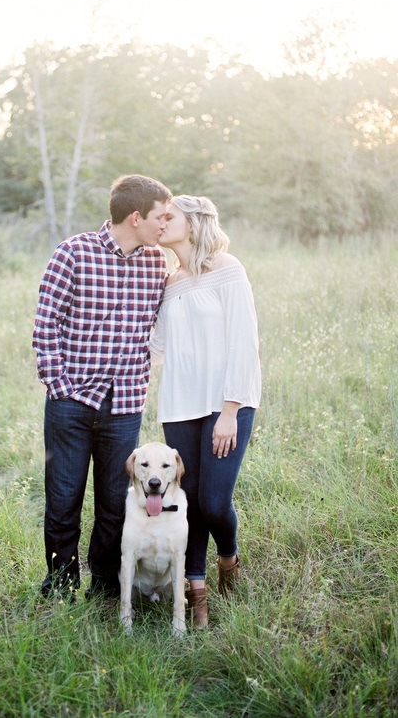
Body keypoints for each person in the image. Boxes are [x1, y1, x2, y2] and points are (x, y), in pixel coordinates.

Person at [32, 174, 172, 600]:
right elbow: (45, 323)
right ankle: (60, 585)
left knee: (115, 504)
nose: (164, 225)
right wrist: (59, 387)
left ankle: (106, 589)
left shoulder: (156, 264)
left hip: (125, 405)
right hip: (71, 403)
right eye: (159, 217)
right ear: (135, 218)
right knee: (63, 500)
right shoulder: (73, 253)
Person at [150, 195, 261, 628]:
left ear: (193, 223)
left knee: (214, 503)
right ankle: (196, 594)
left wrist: (230, 410)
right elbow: (155, 349)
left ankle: (228, 561)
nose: (161, 223)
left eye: (169, 216)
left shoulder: (228, 269)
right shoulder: (169, 280)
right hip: (179, 406)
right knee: (186, 500)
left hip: (225, 404)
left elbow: (243, 341)